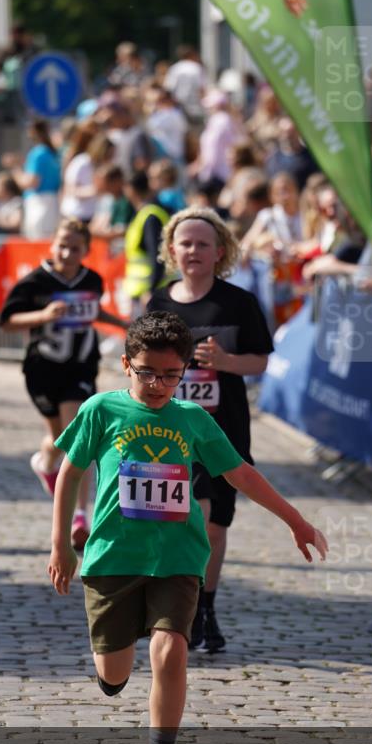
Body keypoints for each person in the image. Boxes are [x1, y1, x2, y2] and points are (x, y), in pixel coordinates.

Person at [48, 311, 327, 744]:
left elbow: (241, 473)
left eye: (171, 375)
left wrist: (295, 520)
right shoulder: (100, 410)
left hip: (178, 557)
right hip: (112, 557)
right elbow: (70, 473)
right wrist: (61, 546)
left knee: (171, 650)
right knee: (114, 673)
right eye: (147, 373)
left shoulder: (193, 419)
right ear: (126, 365)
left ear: (184, 372)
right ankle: (112, 676)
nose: (158, 385)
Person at [148, 209, 273, 652]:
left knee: (216, 525)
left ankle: (205, 607)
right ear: (171, 250)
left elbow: (261, 360)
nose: (194, 251)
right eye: (185, 243)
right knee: (193, 516)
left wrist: (225, 362)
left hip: (225, 429)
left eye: (203, 244)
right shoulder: (159, 303)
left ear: (220, 251)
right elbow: (142, 365)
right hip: (173, 432)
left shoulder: (238, 302)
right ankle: (183, 607)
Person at [0, 218, 126, 549]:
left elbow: (94, 311)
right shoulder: (35, 282)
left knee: (79, 437)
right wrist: (42, 316)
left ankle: (80, 516)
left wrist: (125, 325)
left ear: (86, 250)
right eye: (62, 245)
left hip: (80, 368)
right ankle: (45, 463)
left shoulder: (92, 280)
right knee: (58, 439)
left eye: (75, 248)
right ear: (52, 245)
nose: (67, 253)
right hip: (42, 370)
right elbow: (7, 320)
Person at [123, 170, 170, 316]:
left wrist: (151, 289)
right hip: (142, 291)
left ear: (131, 189)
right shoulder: (144, 213)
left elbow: (158, 255)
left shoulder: (150, 216)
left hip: (150, 293)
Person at [14, 120, 61, 240]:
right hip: (51, 202)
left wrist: (16, 170)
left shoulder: (38, 153)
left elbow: (31, 182)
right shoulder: (52, 153)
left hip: (38, 203)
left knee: (36, 240)